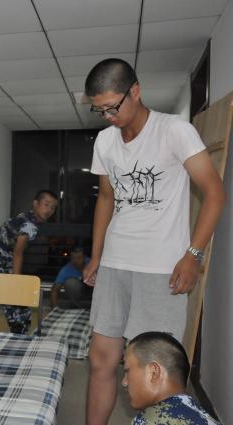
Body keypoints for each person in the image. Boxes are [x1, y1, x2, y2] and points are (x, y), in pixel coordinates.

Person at [82, 58, 225, 425]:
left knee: (154, 374)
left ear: (135, 91)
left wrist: (193, 255)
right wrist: (96, 255)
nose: (108, 116)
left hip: (160, 268)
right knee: (100, 360)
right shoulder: (105, 141)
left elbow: (214, 192)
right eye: (100, 110)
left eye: (113, 106)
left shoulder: (174, 130)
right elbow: (106, 198)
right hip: (115, 263)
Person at [0, 190, 58, 333]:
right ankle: (18, 337)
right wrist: (16, 281)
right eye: (46, 204)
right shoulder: (30, 224)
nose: (49, 210)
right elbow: (18, 253)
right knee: (14, 303)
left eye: (53, 207)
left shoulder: (25, 217)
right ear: (35, 203)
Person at [123, 331, 220, 425]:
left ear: (153, 373)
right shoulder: (207, 418)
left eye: (127, 371)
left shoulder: (149, 420)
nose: (124, 382)